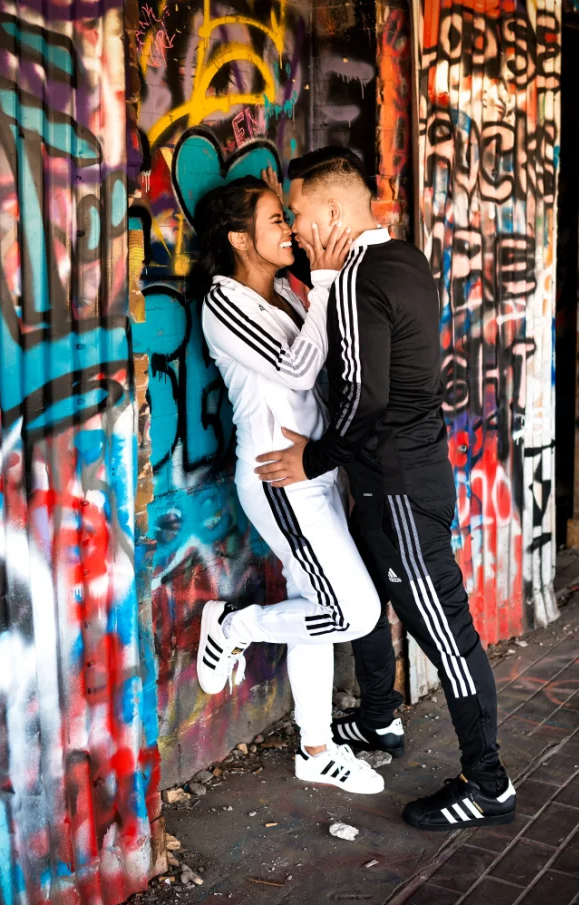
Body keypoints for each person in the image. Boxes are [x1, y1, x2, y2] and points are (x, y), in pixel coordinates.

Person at [255, 149, 518, 829]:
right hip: (400, 479)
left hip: (398, 487)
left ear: (336, 213)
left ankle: (487, 782)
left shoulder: (352, 280)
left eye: (303, 214)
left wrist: (311, 459)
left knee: (446, 633)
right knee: (367, 599)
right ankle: (377, 720)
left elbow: (362, 403)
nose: (296, 229)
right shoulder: (404, 258)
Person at [188, 174, 386, 795]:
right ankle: (232, 628)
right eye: (277, 220)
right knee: (353, 611)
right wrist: (327, 282)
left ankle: (316, 748)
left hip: (314, 468)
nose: (289, 230)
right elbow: (301, 370)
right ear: (240, 238)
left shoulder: (286, 291)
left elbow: (325, 360)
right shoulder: (225, 301)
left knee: (314, 607)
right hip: (279, 478)